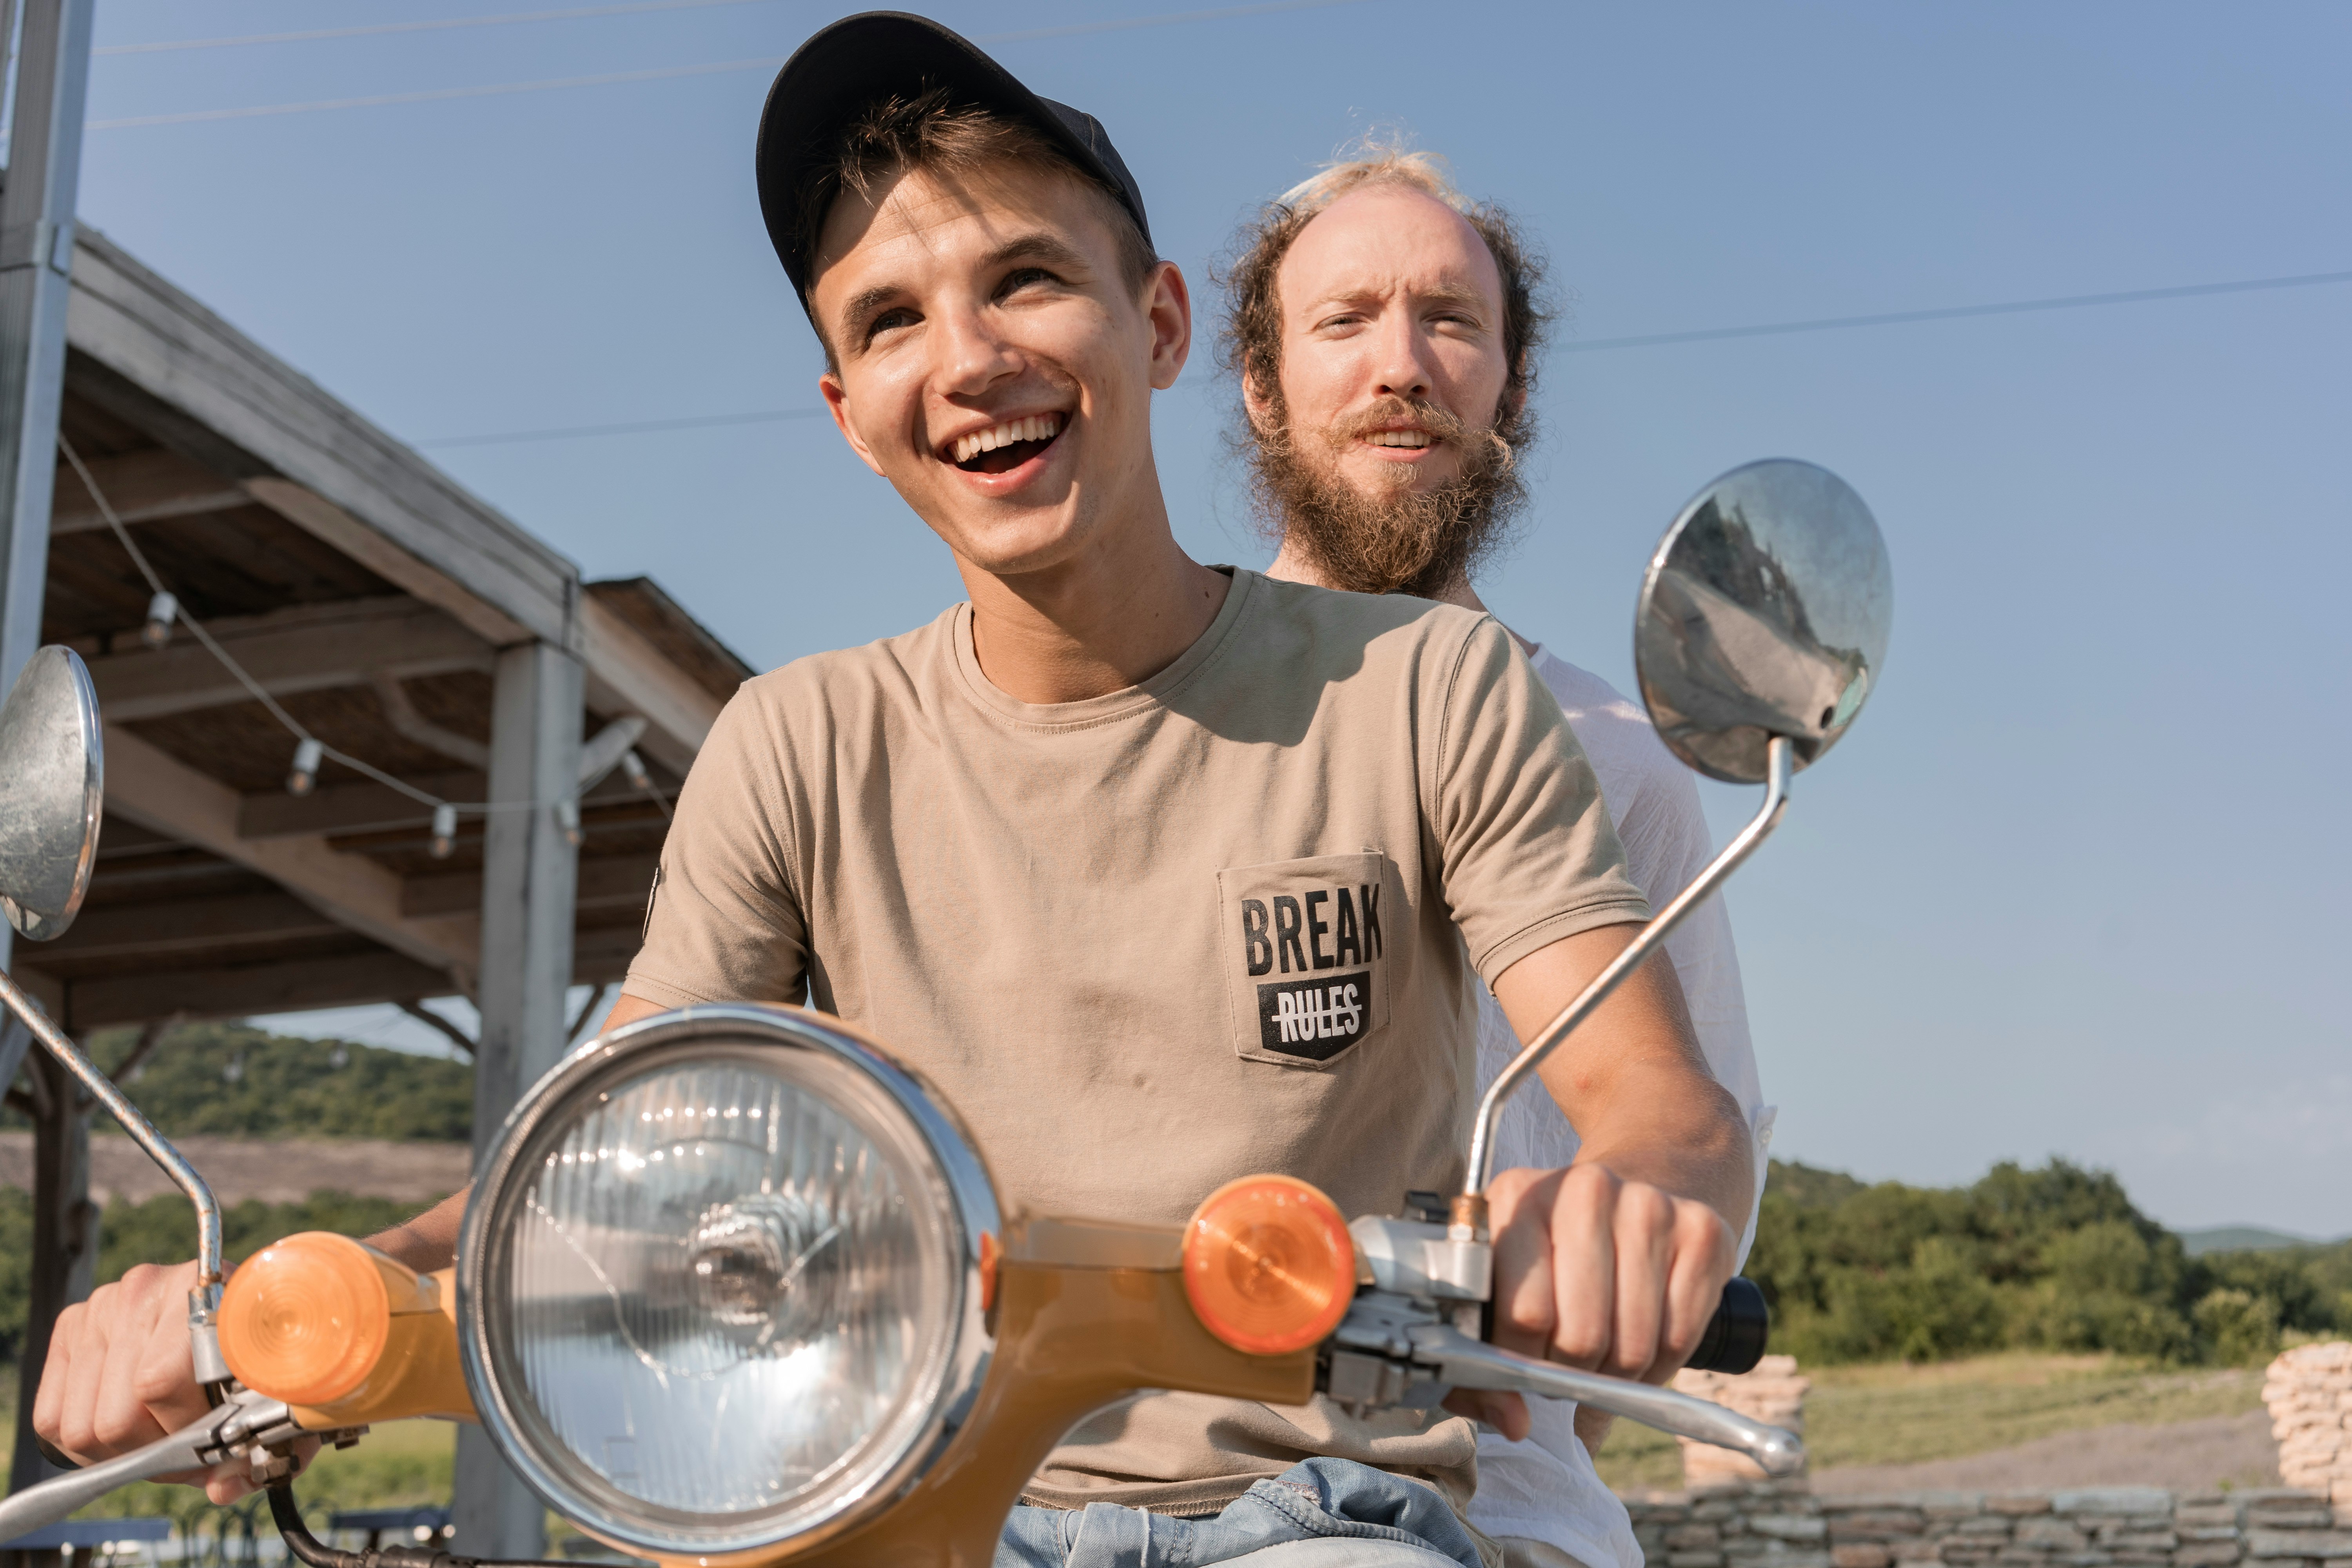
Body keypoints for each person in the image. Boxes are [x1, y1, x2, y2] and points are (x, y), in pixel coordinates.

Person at [35, 18, 1754, 1567]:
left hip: (1319, 1507)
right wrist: (260, 1304)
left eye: (1025, 279)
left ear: (1155, 323)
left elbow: (1658, 1104)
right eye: (889, 321)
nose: (969, 355)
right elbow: (584, 1172)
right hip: (891, 1502)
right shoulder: (798, 748)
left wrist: (1623, 1200)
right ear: (848, 410)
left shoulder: (1424, 688)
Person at [1227, 147, 1774, 1568]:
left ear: (1514, 388)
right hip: (1163, 1501)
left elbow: (1695, 1145)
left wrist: (1571, 1322)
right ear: (1259, 384)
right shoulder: (1159, 712)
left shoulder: (1617, 755)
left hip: (1509, 1515)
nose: (1400, 365)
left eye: (1450, 321)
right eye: (1344, 321)